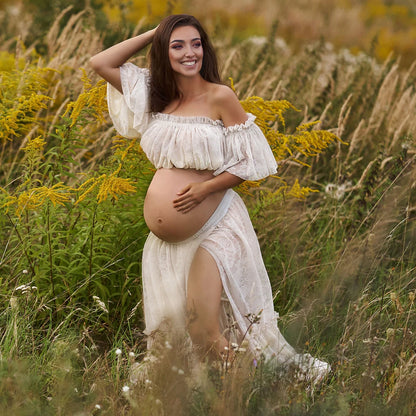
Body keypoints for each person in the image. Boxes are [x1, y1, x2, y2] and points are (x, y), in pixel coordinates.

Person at [90, 14, 330, 381]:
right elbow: (101, 62)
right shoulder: (155, 93)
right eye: (178, 45)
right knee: (181, 338)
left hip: (215, 229)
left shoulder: (220, 97)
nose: (190, 53)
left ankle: (263, 383)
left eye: (196, 43)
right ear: (163, 50)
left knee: (202, 333)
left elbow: (252, 162)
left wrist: (205, 188)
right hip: (167, 245)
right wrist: (158, 31)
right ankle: (237, 387)